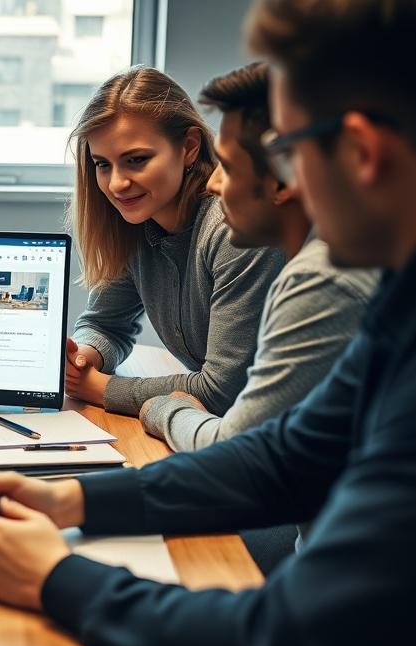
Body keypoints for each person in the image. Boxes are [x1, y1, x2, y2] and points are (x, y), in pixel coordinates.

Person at [0, 0, 416, 646]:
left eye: (288, 155)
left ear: (361, 152)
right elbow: (282, 456)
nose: (265, 186)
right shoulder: (409, 293)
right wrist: (71, 499)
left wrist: (58, 579)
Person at [137, 63, 379, 571]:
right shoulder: (334, 263)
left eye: (224, 165)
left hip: (329, 580)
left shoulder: (322, 278)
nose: (213, 184)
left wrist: (164, 410)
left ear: (284, 178)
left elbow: (235, 458)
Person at [64, 66, 284, 417]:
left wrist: (97, 387)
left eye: (136, 160)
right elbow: (105, 323)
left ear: (189, 147)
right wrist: (82, 358)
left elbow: (222, 390)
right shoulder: (137, 221)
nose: (117, 184)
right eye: (103, 165)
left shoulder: (235, 229)